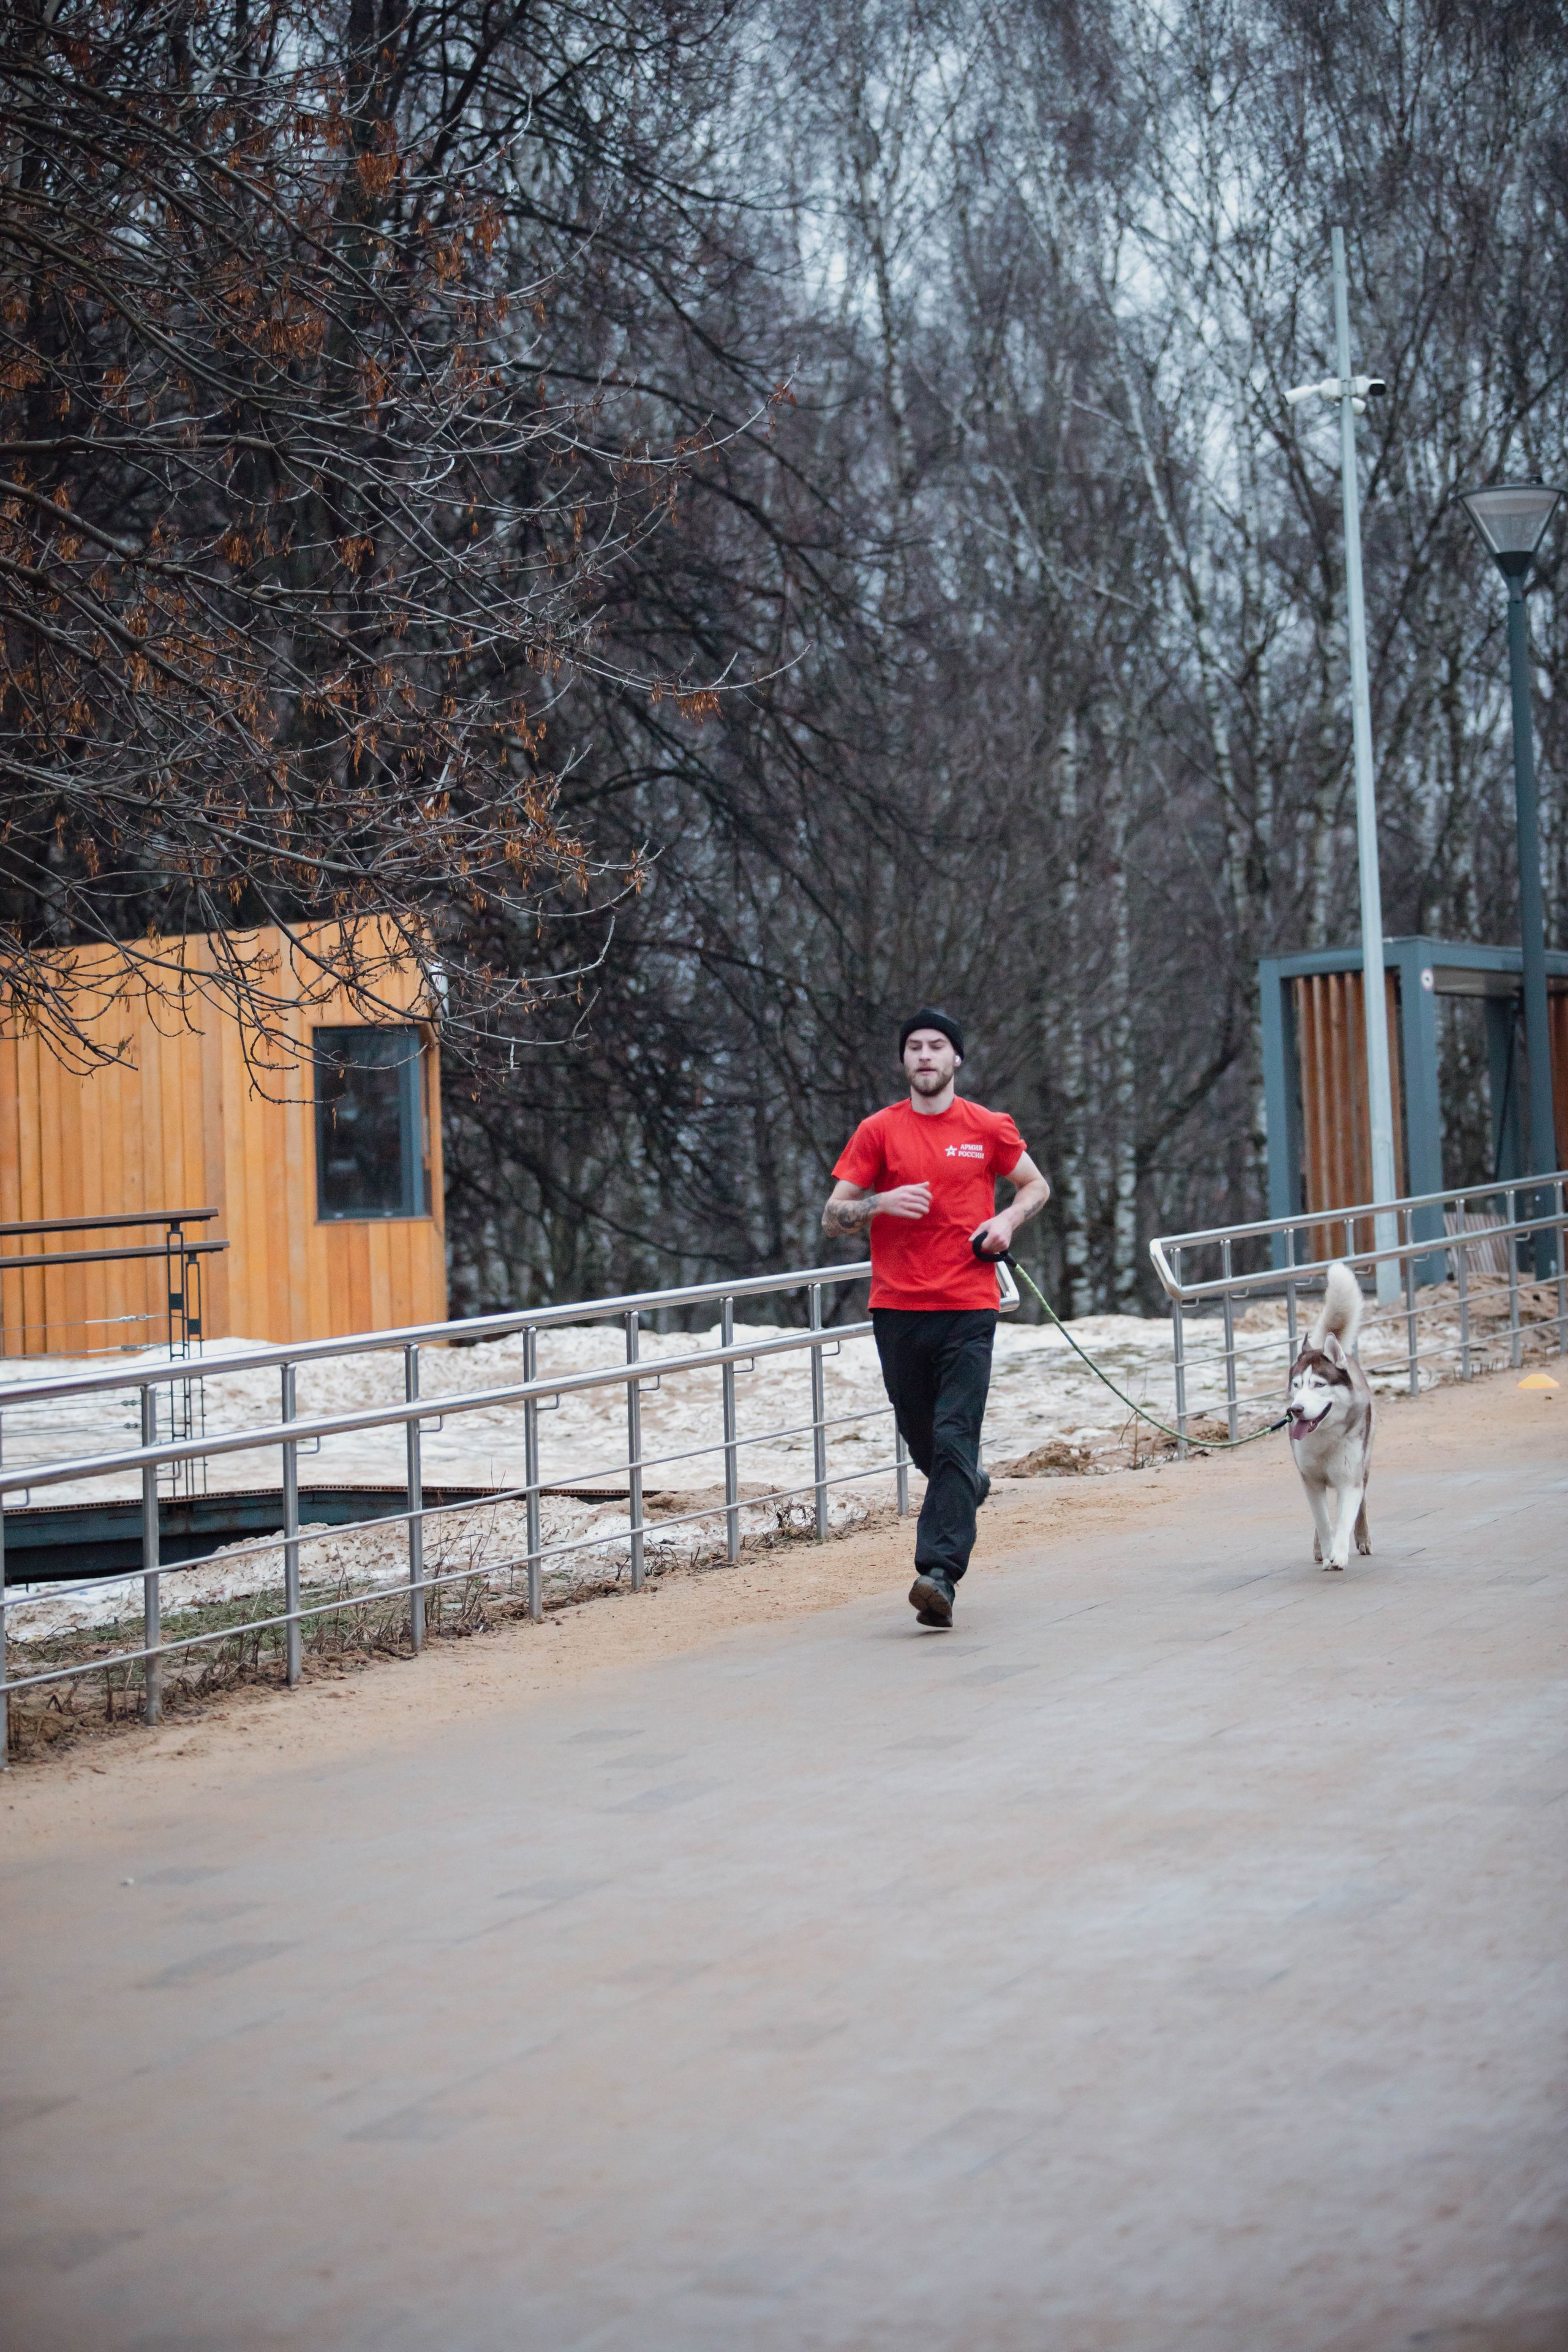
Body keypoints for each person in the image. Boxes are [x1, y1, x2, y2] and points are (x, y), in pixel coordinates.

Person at [823, 1009, 1050, 1627]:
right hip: (896, 1308)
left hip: (968, 1305)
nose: (925, 1056)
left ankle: (938, 1574)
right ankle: (964, 1485)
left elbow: (1035, 1186)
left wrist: (1004, 1222)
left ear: (956, 1061)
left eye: (937, 1047)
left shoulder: (987, 1127)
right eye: (915, 1047)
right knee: (926, 1442)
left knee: (953, 1435)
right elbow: (831, 1214)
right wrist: (879, 1203)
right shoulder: (878, 1132)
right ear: (904, 1062)